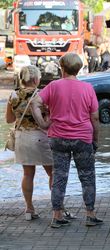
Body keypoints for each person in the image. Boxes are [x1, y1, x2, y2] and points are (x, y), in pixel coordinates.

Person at [31, 52, 102, 228]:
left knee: (59, 177)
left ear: (62, 68)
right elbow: (94, 118)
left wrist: (43, 123)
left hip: (58, 137)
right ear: (78, 69)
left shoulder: (54, 86)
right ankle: (90, 214)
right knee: (87, 177)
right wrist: (96, 139)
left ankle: (57, 216)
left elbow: (34, 103)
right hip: (82, 138)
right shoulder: (87, 88)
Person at [5, 65, 53, 221]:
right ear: (35, 79)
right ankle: (58, 208)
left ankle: (29, 209)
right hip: (41, 137)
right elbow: (49, 118)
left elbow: (9, 120)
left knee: (27, 174)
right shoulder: (41, 95)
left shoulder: (13, 95)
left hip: (21, 138)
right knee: (52, 173)